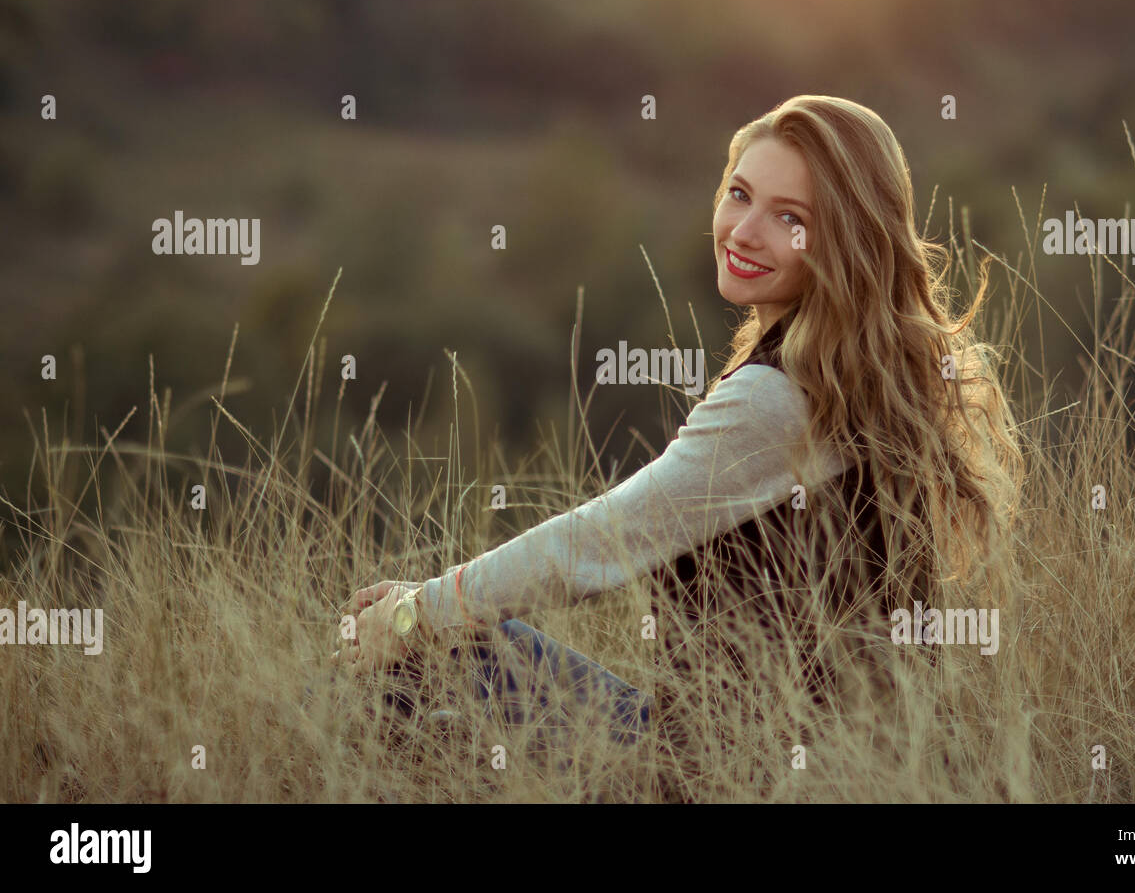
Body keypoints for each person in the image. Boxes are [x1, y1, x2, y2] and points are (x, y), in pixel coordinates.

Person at [331, 95, 1023, 774]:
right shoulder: (865, 380)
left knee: (417, 654)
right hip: (820, 768)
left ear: (846, 240)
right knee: (449, 653)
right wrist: (425, 606)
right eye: (739, 194)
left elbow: (589, 546)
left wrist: (412, 616)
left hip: (723, 777)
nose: (744, 231)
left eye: (790, 218)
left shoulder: (776, 399)